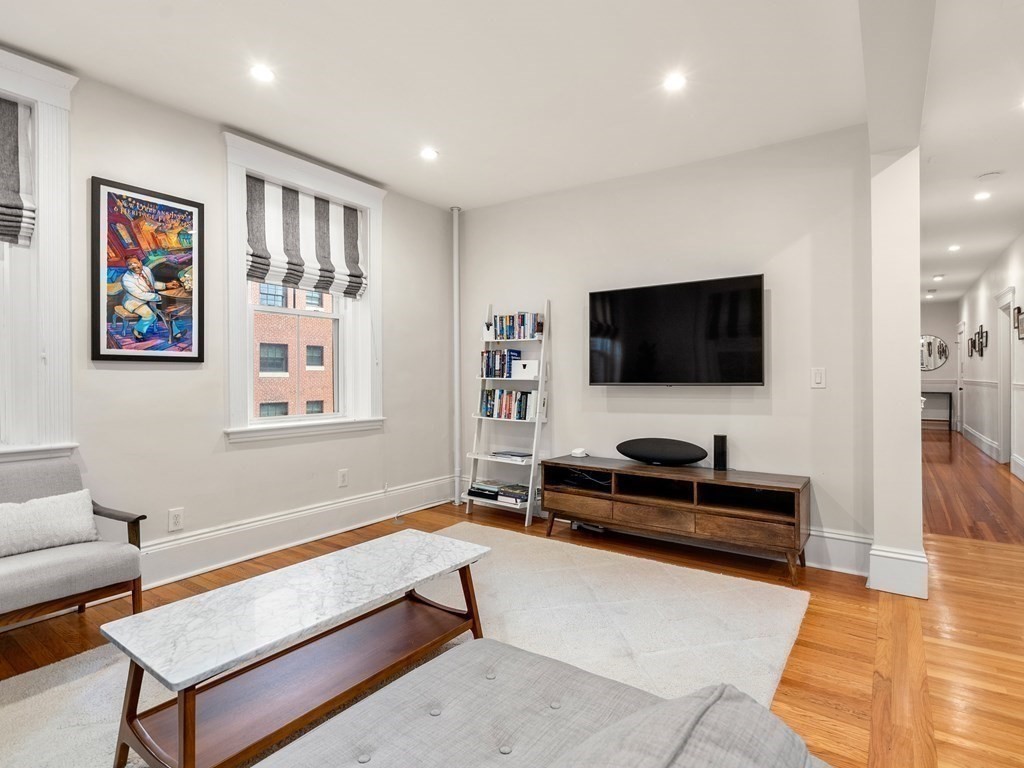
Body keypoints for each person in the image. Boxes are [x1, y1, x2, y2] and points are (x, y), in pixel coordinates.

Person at [121, 256, 181, 340]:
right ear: (127, 267)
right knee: (150, 316)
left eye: (135, 263)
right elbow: (140, 294)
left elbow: (151, 285)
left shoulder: (146, 270)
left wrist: (166, 285)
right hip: (134, 301)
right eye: (130, 265)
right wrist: (159, 297)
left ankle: (175, 332)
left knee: (165, 312)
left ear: (140, 262)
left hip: (150, 298)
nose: (134, 266)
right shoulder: (126, 279)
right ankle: (137, 329)